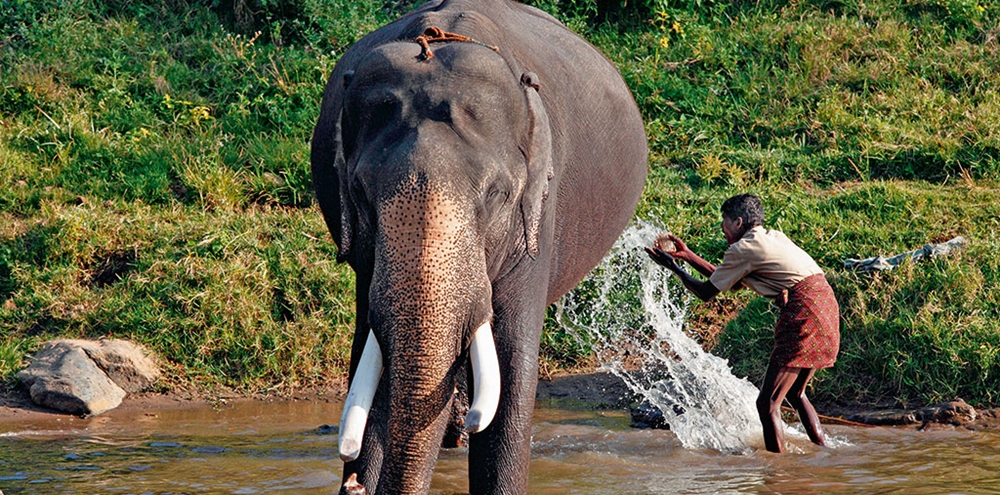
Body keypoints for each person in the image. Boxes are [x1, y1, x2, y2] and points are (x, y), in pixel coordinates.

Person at [645, 193, 840, 453]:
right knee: (796, 393)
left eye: (724, 222)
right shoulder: (773, 237)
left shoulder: (742, 248)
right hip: (826, 305)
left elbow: (706, 292)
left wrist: (673, 267)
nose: (723, 229)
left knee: (767, 404)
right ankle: (825, 451)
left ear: (737, 222)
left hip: (803, 311)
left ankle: (777, 472)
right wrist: (688, 256)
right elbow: (731, 283)